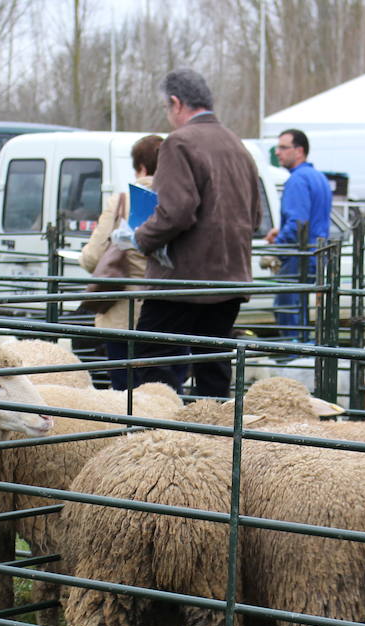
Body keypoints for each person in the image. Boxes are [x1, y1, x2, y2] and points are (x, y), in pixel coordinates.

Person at [131, 68, 261, 398]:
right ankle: (216, 442)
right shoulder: (236, 144)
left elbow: (176, 211)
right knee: (214, 366)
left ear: (176, 103)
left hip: (182, 279)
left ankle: (159, 440)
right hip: (230, 278)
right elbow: (255, 215)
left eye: (165, 107)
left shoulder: (179, 143)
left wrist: (140, 238)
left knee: (153, 363)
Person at [80, 133, 163, 390]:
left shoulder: (122, 202)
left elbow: (92, 257)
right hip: (167, 309)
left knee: (124, 390)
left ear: (140, 166)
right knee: (162, 389)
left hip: (122, 314)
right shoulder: (178, 202)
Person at [264, 128, 331, 341]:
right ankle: (306, 353)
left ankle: (294, 356)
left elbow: (298, 223)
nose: (278, 152)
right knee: (299, 307)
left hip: (299, 255)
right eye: (277, 148)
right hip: (316, 252)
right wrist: (282, 231)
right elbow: (308, 219)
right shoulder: (318, 178)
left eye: (283, 147)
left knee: (288, 308)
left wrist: (277, 248)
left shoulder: (297, 180)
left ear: (299, 151)